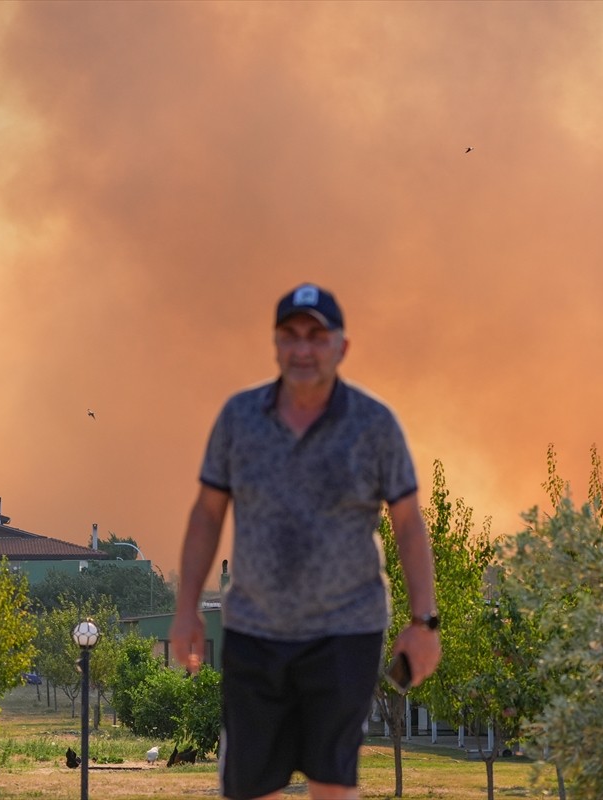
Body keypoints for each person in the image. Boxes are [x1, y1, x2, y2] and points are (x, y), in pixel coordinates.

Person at [169, 283, 442, 800]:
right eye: (290, 335)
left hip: (345, 630)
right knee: (250, 787)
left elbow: (408, 523)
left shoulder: (374, 424)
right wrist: (185, 610)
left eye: (317, 337)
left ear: (342, 346)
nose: (302, 349)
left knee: (332, 784)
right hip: (255, 629)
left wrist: (424, 622)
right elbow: (207, 514)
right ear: (274, 344)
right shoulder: (239, 418)